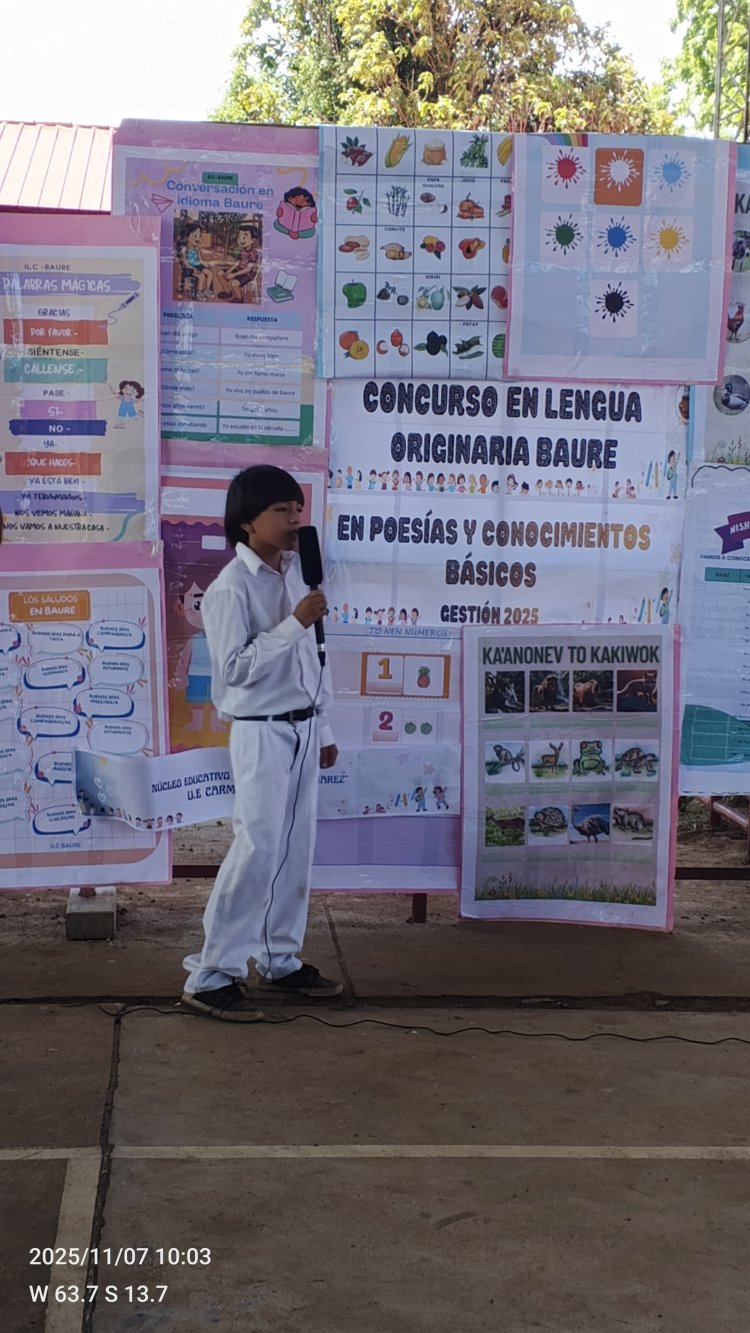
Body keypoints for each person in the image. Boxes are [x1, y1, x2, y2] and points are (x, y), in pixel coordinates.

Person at [182, 465, 342, 1022]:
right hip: (259, 733)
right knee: (257, 848)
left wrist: (322, 727)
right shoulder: (230, 587)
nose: (295, 519)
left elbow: (310, 660)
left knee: (295, 850)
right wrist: (292, 624)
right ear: (247, 522)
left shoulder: (298, 573)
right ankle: (212, 974)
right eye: (282, 511)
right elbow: (234, 671)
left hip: (301, 727)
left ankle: (280, 960)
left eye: (297, 508)